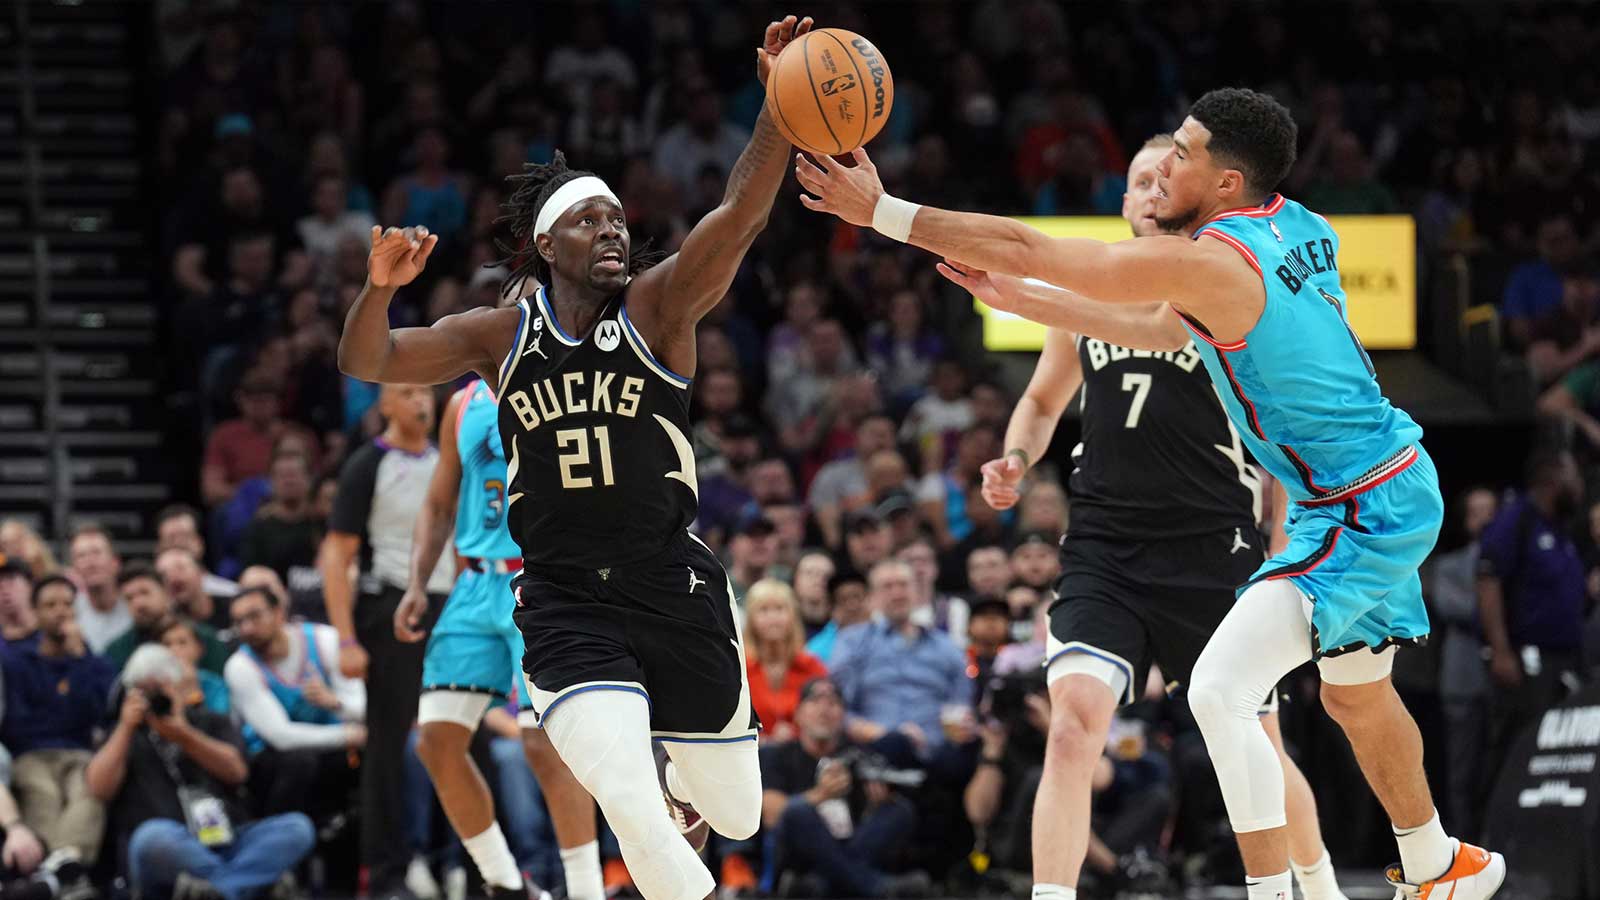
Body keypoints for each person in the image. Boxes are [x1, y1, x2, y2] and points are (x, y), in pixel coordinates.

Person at [796, 87, 1501, 899]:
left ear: (1227, 184)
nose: (1164, 164)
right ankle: (1439, 864)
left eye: (1183, 154)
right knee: (1355, 703)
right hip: (1367, 488)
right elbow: (1167, 329)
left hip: (1353, 505)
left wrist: (881, 210)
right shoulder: (1298, 223)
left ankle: (1285, 893)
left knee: (1220, 692)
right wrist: (1023, 302)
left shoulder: (1211, 259)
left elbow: (1038, 246)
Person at [336, 17, 814, 900]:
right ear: (546, 246)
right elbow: (370, 362)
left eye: (619, 218)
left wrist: (779, 110)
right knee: (625, 796)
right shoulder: (503, 333)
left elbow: (742, 213)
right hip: (559, 592)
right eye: (589, 219)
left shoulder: (660, 308)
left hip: (671, 579)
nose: (612, 231)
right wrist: (379, 290)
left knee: (737, 813)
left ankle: (687, 779)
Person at [928, 135, 1352, 900]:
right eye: (1139, 179)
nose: (1153, 186)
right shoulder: (1083, 303)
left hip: (1212, 542)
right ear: (1125, 204)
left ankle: (1317, 887)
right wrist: (1017, 459)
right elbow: (1043, 399)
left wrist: (1285, 537)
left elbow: (1283, 428)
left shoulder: (1220, 284)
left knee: (1256, 740)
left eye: (1167, 174)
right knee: (1071, 723)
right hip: (1105, 545)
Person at [395, 375, 600, 900]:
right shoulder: (464, 401)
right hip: (474, 583)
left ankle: (585, 890)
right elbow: (440, 503)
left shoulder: (572, 382)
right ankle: (506, 884)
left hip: (542, 579)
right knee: (435, 741)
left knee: (544, 746)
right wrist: (418, 582)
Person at [317, 382, 455, 898]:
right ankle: (385, 874)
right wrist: (347, 639)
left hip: (451, 606)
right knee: (390, 746)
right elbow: (336, 556)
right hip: (390, 606)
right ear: (385, 406)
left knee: (467, 738)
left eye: (425, 390)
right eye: (406, 391)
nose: (420, 400)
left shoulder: (450, 460)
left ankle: (469, 865)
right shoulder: (366, 465)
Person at [85, 645, 315, 900]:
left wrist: (183, 734)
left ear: (181, 688)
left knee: (297, 827)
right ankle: (243, 885)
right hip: (170, 849)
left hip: (230, 840)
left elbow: (237, 772)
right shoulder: (124, 735)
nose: (155, 699)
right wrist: (126, 726)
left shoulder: (210, 722)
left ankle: (219, 891)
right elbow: (98, 788)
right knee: (151, 838)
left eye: (162, 688)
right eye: (145, 691)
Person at [1476, 448, 1588, 791]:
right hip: (1525, 660)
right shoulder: (1518, 519)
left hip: (1562, 660)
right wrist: (1501, 649)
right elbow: (1488, 579)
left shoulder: (1563, 527)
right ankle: (1490, 830)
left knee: (1555, 752)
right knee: (1517, 745)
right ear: (1552, 478)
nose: (1580, 486)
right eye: (1575, 476)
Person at [759, 677, 926, 898]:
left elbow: (870, 823)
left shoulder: (859, 755)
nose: (824, 709)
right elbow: (773, 816)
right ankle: (879, 888)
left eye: (834, 703)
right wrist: (821, 794)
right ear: (798, 714)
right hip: (798, 857)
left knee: (899, 809)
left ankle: (823, 885)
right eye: (815, 700)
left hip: (843, 849)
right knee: (798, 812)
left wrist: (874, 804)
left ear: (843, 716)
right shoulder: (777, 754)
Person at [0, 576, 115, 869]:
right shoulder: (15, 662)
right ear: (36, 613)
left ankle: (61, 867)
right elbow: (19, 722)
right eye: (50, 605)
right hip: (31, 754)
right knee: (43, 793)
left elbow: (98, 714)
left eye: (67, 604)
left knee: (89, 793)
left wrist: (79, 661)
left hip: (80, 753)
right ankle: (64, 870)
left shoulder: (94, 663)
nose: (61, 611)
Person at [223, 586, 365, 818]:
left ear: (279, 612)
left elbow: (363, 707)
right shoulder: (240, 667)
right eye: (239, 622)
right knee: (301, 761)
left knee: (371, 754)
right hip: (270, 759)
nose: (247, 628)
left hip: (331, 748)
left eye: (254, 616)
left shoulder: (324, 640)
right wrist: (348, 735)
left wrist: (336, 703)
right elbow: (281, 737)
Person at [103, 565, 230, 676]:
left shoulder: (204, 637)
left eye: (145, 592)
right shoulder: (118, 651)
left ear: (166, 592)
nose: (138, 603)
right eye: (129, 598)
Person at [744, 579, 828, 743]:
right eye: (764, 610)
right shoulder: (740, 669)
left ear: (793, 616)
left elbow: (825, 715)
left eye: (780, 609)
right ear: (751, 620)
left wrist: (798, 736)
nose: (773, 617)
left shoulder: (811, 666)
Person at [66, 526, 127, 655]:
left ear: (115, 562)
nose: (90, 563)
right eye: (81, 556)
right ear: (74, 568)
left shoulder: (135, 606)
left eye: (97, 553)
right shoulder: (68, 613)